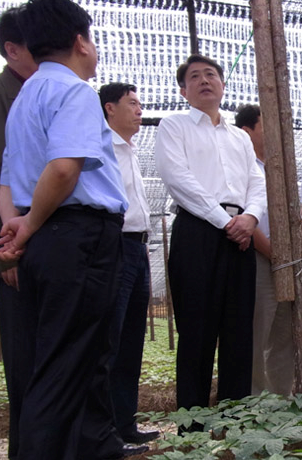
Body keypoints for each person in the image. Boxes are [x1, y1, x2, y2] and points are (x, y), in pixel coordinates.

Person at [0, 0, 148, 458]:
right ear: (82, 41)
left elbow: (7, 177)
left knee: (74, 357)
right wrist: (29, 226)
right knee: (65, 367)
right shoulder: (75, 91)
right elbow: (65, 168)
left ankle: (94, 447)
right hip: (77, 235)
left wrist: (17, 227)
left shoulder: (25, 97)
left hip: (45, 236)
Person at [154, 55, 266, 414]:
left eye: (211, 74)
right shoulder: (174, 127)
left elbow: (256, 182)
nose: (204, 80)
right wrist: (225, 221)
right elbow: (178, 179)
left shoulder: (239, 137)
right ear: (183, 90)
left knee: (238, 331)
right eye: (194, 76)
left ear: (222, 84)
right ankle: (193, 424)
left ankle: (236, 420)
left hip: (241, 236)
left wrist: (250, 217)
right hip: (197, 232)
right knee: (196, 332)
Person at [99, 83, 159, 444]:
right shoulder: (102, 146)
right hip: (116, 247)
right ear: (110, 108)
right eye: (132, 104)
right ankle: (104, 431)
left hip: (139, 249)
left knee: (132, 342)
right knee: (111, 341)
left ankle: (125, 425)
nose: (139, 111)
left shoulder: (131, 149)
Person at [235, 103, 295, 396]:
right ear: (247, 132)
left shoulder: (278, 168)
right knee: (257, 332)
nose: (274, 132)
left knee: (285, 333)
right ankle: (255, 399)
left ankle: (283, 397)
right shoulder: (241, 168)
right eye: (265, 125)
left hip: (284, 261)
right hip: (257, 257)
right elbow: (242, 214)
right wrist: (271, 250)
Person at [0, 7, 37, 459]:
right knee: (24, 352)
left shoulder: (46, 91)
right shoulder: (4, 97)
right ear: (12, 49)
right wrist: (5, 250)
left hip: (45, 235)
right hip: (13, 241)